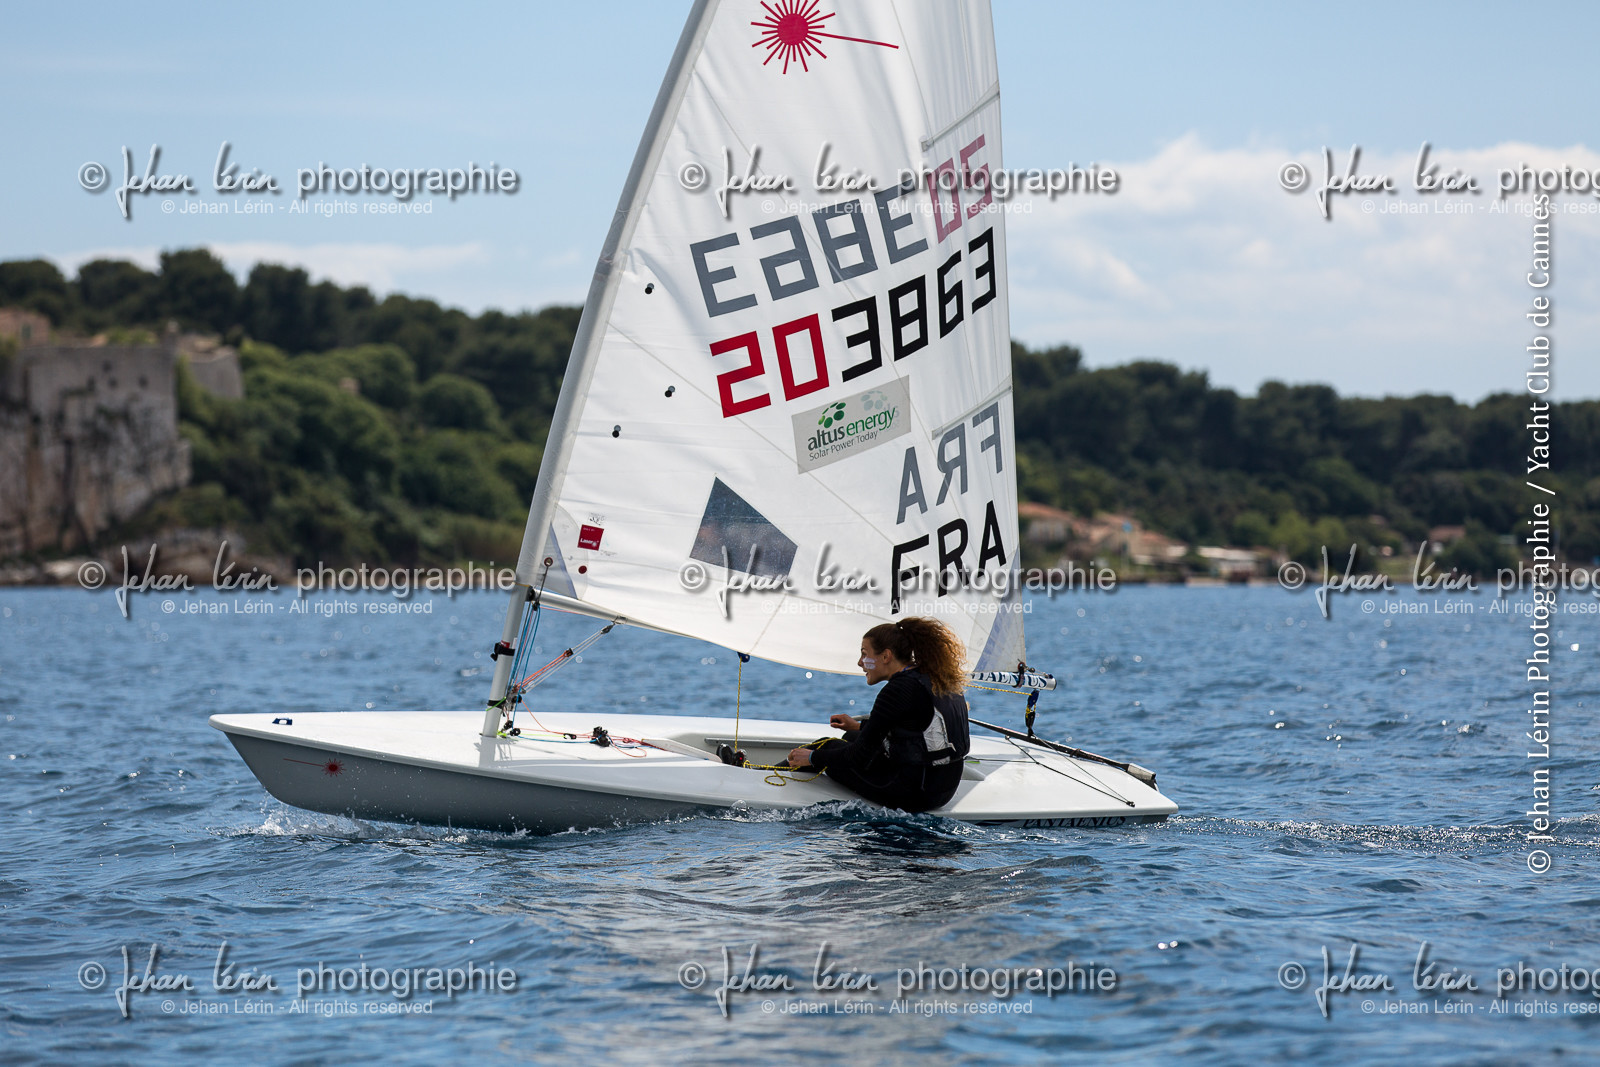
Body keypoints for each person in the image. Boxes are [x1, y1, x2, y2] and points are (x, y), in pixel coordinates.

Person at [787, 617, 971, 813]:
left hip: (914, 795)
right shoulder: (935, 678)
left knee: (825, 746)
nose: (860, 663)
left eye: (864, 654)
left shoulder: (898, 689)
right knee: (851, 736)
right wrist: (858, 726)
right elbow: (915, 729)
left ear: (886, 656)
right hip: (944, 789)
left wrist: (813, 757)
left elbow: (858, 756)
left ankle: (768, 778)